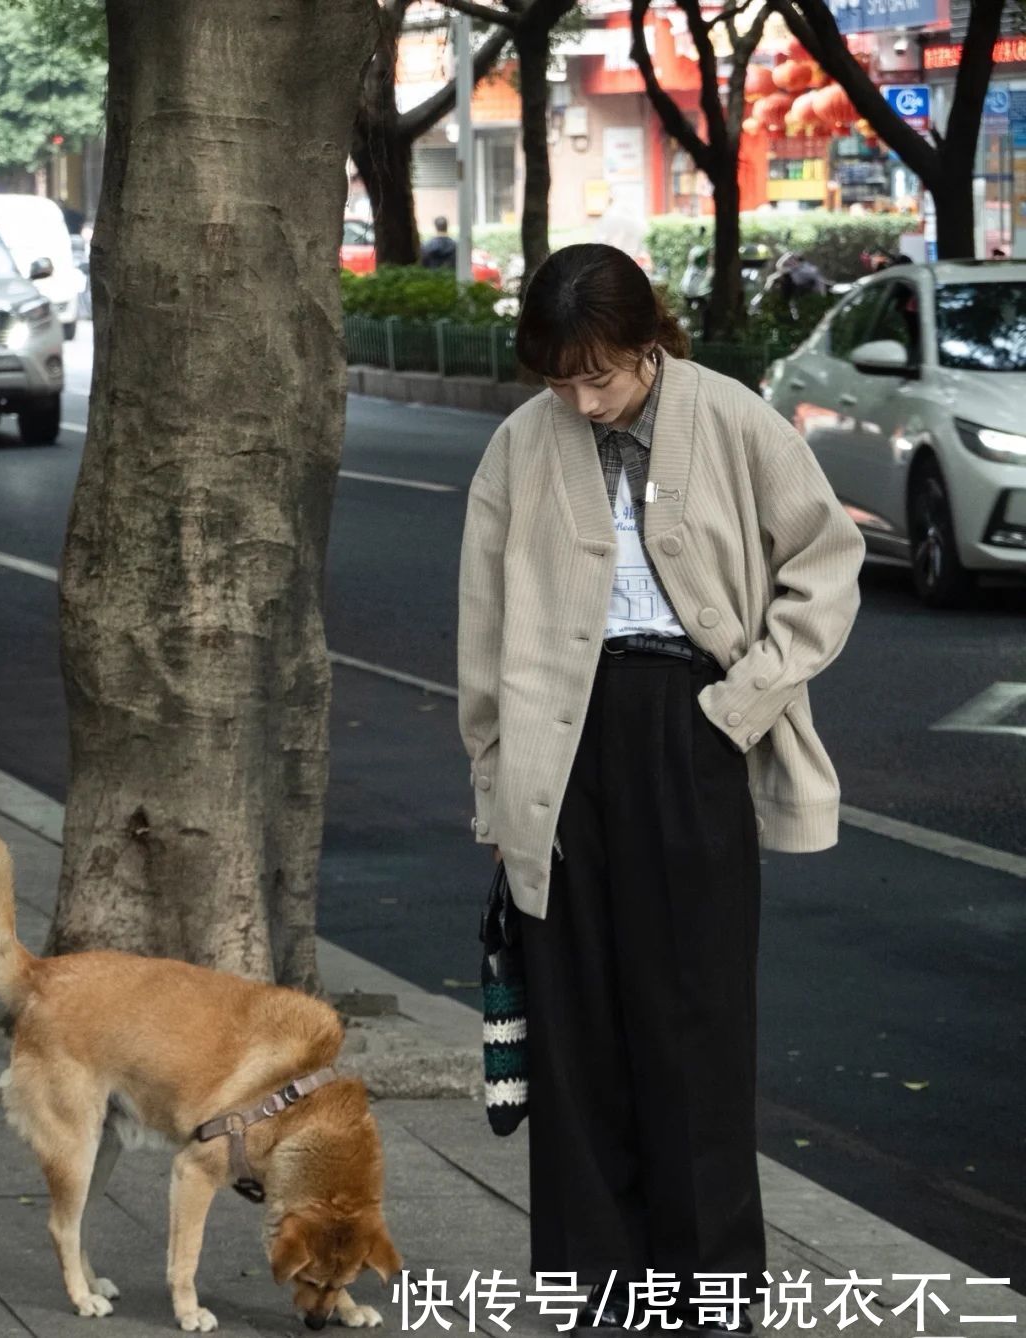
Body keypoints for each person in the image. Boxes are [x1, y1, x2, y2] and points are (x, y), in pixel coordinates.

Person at [457, 244, 866, 1334]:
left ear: (651, 344)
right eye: (561, 380)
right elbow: (484, 631)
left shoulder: (731, 418)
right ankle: (595, 1294)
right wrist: (498, 797)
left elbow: (827, 563)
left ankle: (710, 1294)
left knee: (697, 1029)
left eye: (603, 375)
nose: (585, 401)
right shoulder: (518, 447)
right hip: (561, 746)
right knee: (576, 1030)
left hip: (692, 734)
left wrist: (751, 698)